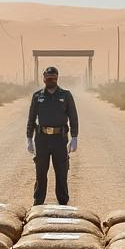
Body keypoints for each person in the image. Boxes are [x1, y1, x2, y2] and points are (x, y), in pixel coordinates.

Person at [26, 66, 78, 205]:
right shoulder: (37, 96)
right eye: (48, 78)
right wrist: (29, 138)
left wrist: (74, 137)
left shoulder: (66, 95)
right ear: (43, 78)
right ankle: (38, 202)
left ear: (57, 78)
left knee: (61, 173)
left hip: (60, 139)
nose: (51, 80)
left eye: (53, 78)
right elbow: (31, 118)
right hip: (42, 139)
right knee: (41, 173)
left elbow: (73, 117)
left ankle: (63, 202)